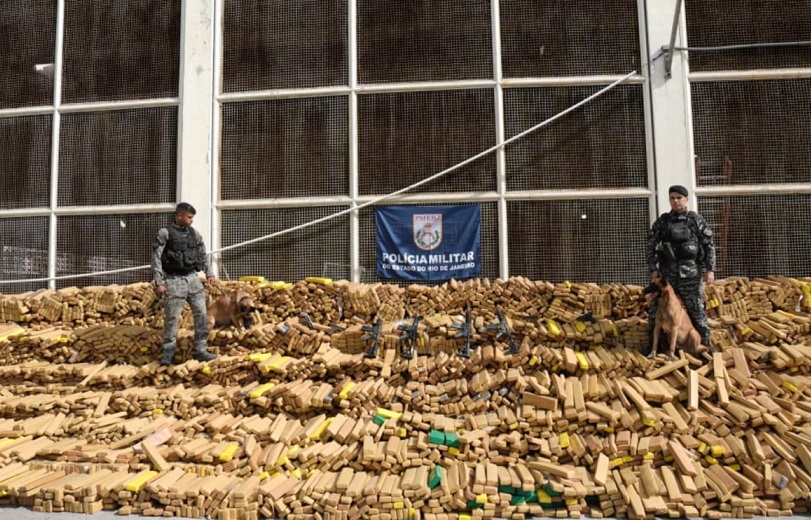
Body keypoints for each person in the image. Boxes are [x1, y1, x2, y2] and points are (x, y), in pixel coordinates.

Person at [646, 185, 716, 353]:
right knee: (656, 311)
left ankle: (706, 347)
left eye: (679, 197)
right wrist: (653, 268)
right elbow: (650, 245)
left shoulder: (695, 220)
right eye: (672, 198)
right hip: (668, 276)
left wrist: (710, 269)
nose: (676, 201)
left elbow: (709, 245)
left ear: (686, 199)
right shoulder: (663, 222)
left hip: (691, 274)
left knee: (697, 311)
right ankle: (653, 347)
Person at [152, 202, 218, 365]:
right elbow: (156, 258)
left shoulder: (195, 234)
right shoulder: (165, 233)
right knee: (172, 318)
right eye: (189, 217)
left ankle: (201, 349)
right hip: (174, 280)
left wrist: (209, 273)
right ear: (180, 215)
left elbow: (203, 254)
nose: (191, 221)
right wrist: (159, 281)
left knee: (201, 315)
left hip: (193, 279)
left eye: (192, 218)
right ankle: (168, 353)